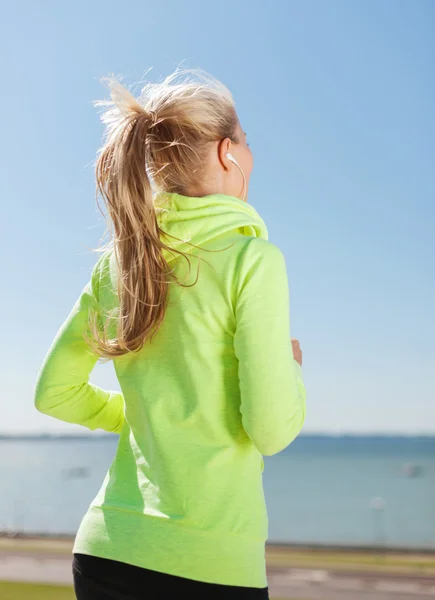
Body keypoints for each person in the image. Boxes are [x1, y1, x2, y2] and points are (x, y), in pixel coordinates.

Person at [35, 69, 306, 600]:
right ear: (229, 152)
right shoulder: (254, 260)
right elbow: (272, 430)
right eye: (248, 143)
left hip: (105, 553)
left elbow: (54, 394)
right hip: (209, 566)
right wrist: (291, 371)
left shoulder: (121, 265)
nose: (251, 155)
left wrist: (142, 415)